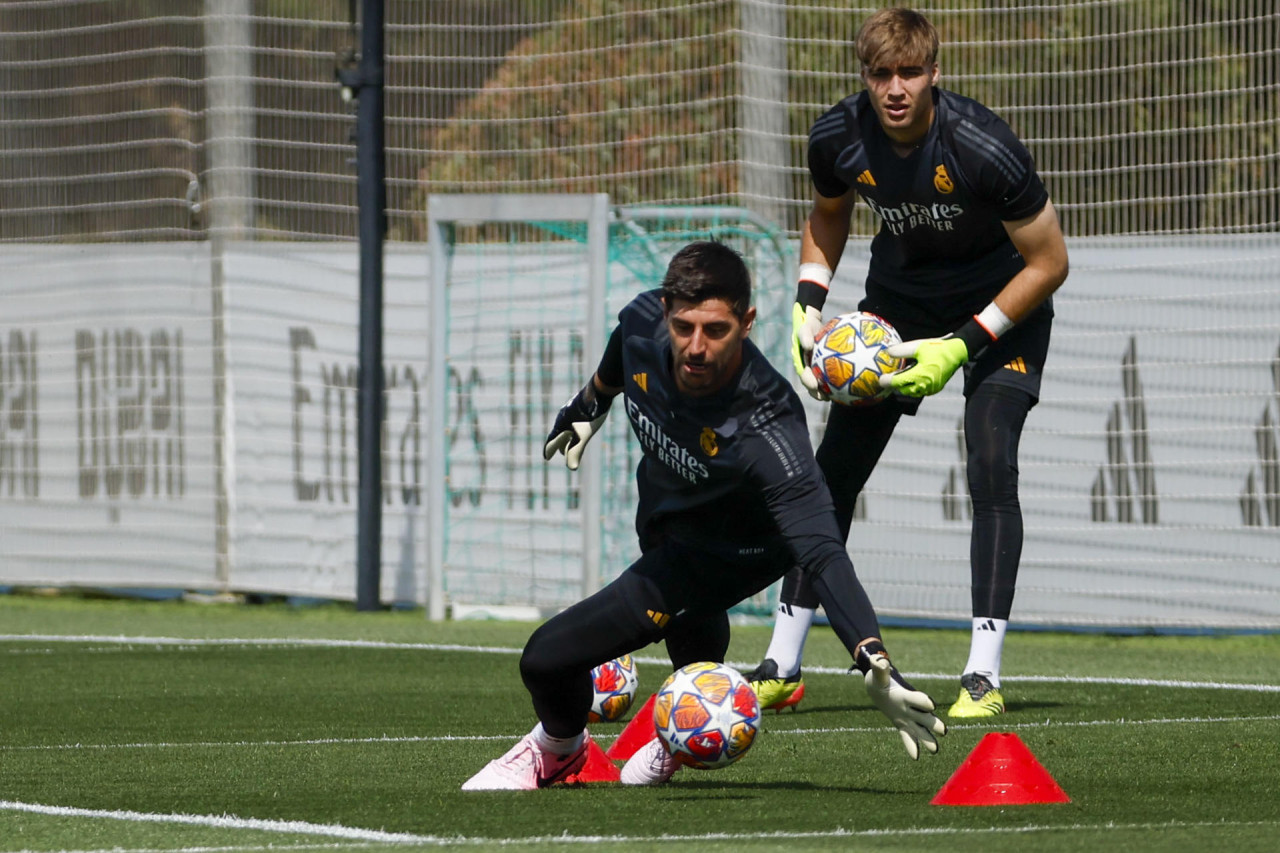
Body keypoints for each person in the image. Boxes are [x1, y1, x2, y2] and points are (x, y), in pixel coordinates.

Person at [461, 241, 946, 791]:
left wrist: (871, 658)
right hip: (669, 518)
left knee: (545, 660)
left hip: (727, 553)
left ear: (746, 323)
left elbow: (820, 548)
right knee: (690, 639)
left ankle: (558, 749)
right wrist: (591, 402)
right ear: (666, 311)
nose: (696, 347)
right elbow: (624, 348)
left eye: (715, 330)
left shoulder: (768, 422)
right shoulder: (645, 319)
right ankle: (684, 738)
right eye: (684, 326)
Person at [746, 7, 1069, 719]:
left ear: (934, 74)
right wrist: (807, 302)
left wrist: (963, 345)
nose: (895, 88)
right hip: (895, 310)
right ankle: (782, 659)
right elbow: (828, 213)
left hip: (1002, 310)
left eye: (910, 72)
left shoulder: (984, 145)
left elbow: (1050, 262)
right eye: (880, 73)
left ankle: (981, 673)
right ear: (865, 78)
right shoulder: (836, 135)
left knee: (991, 459)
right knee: (831, 474)